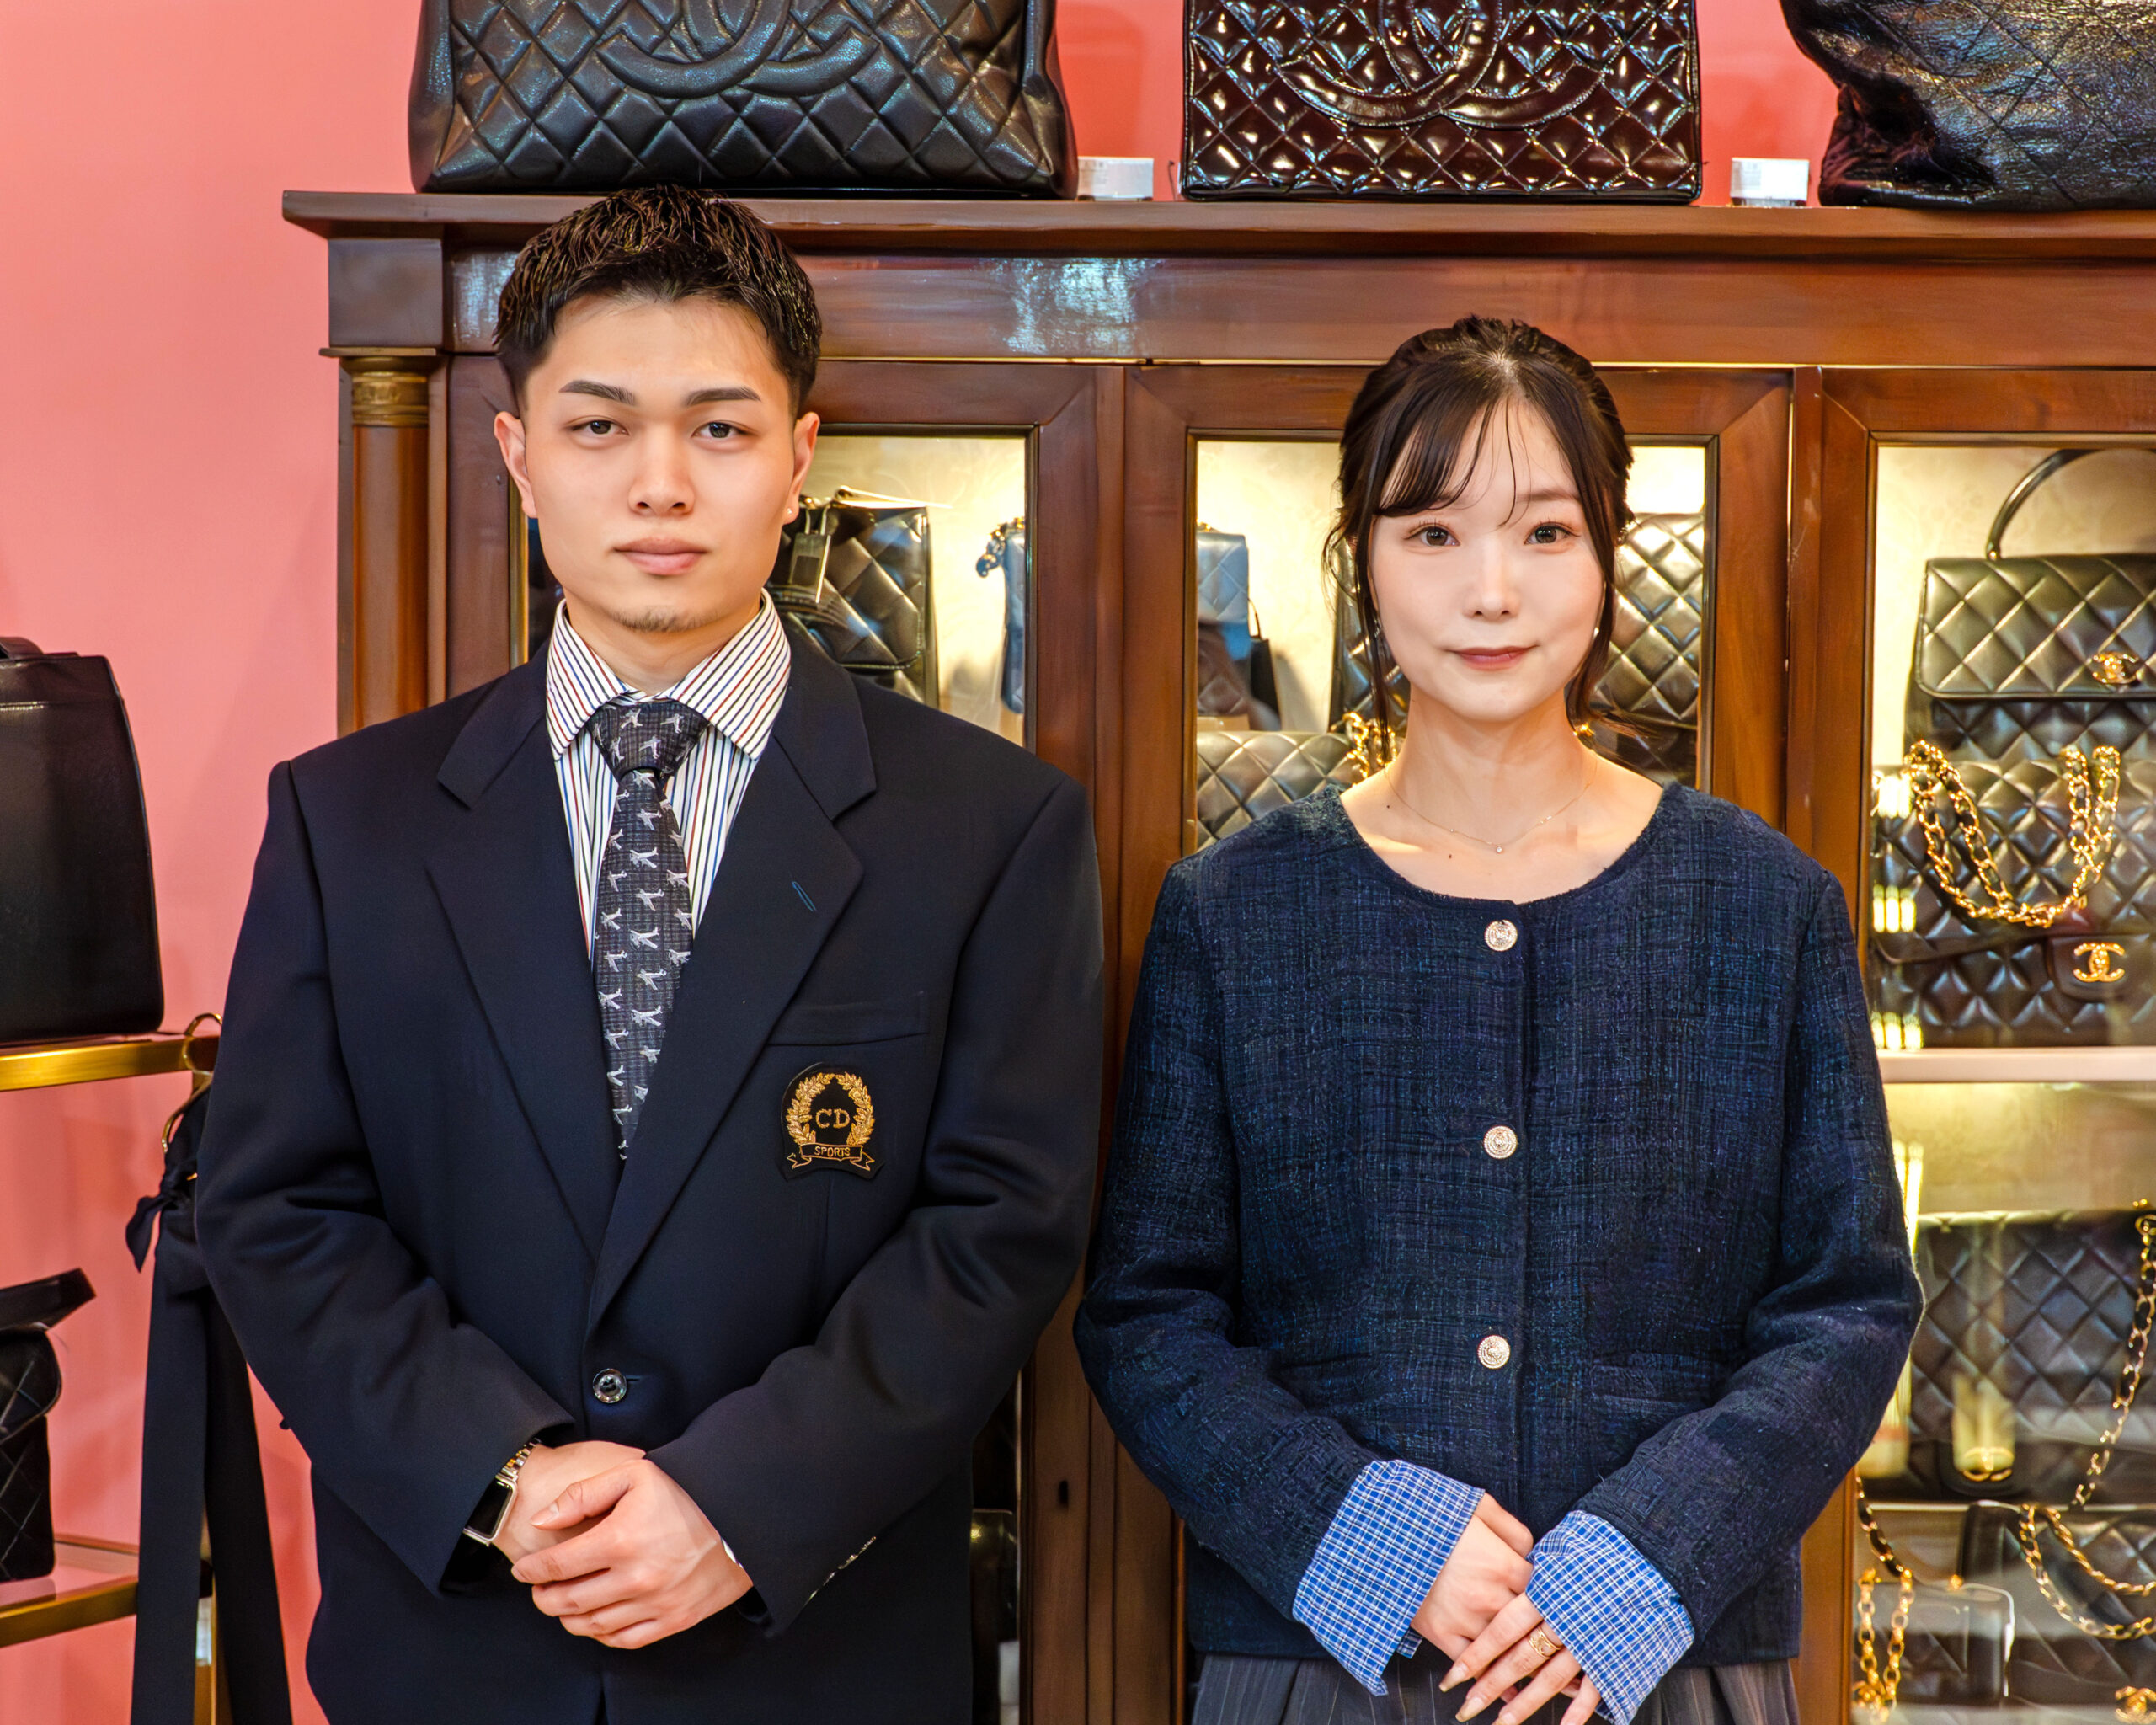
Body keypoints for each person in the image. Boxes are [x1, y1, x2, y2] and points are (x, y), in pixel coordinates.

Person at [196, 185, 1103, 1724]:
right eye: (600, 427)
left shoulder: (989, 826)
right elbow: (279, 1208)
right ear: (518, 452)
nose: (660, 486)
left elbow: (999, 1228)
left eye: (720, 429)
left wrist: (739, 1503)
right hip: (457, 1648)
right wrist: (502, 1476)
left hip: (813, 1658)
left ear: (799, 458)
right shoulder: (347, 821)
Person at [1075, 319, 1922, 1725]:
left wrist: (1643, 1561)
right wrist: (1377, 1541)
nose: (1489, 590)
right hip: (1328, 1668)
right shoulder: (1233, 911)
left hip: (1669, 1664)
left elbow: (1847, 1305)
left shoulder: (1765, 903)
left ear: (1608, 559)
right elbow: (1146, 1318)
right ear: (1360, 561)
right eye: (1431, 532)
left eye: (1544, 532)